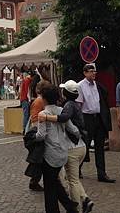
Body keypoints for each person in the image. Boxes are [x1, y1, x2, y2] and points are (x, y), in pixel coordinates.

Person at [42, 81, 93, 213]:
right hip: (76, 148)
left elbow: (63, 120)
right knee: (61, 181)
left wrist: (47, 118)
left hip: (64, 150)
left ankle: (74, 207)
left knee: (70, 181)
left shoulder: (67, 106)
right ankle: (79, 202)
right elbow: (74, 129)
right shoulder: (71, 105)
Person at [35, 84, 79, 213]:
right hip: (63, 152)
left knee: (49, 188)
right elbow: (74, 130)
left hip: (50, 155)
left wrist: (32, 135)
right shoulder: (61, 111)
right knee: (54, 181)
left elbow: (41, 136)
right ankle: (70, 206)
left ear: (45, 99)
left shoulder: (43, 114)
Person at [76, 64, 115, 183]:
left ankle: (102, 173)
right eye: (91, 71)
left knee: (100, 147)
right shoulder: (80, 86)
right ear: (85, 73)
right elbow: (78, 105)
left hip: (98, 118)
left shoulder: (97, 85)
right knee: (85, 145)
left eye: (94, 71)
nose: (93, 73)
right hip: (87, 118)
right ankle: (77, 169)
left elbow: (103, 99)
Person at [27, 80, 52, 192]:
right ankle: (34, 181)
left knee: (39, 159)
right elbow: (35, 119)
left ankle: (34, 181)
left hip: (38, 130)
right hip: (38, 130)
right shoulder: (39, 101)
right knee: (39, 159)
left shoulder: (39, 100)